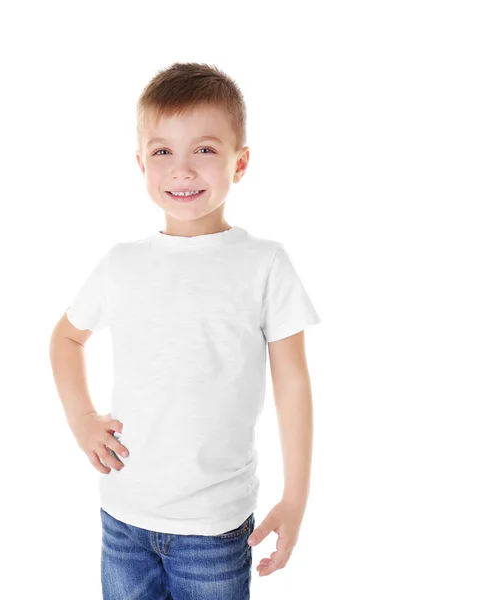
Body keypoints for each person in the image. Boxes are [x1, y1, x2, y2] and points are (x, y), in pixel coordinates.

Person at [49, 61, 321, 599]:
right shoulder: (122, 263)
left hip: (214, 529)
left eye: (204, 149)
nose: (181, 169)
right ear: (140, 163)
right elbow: (65, 338)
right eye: (162, 151)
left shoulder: (264, 264)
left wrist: (295, 498)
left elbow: (293, 386)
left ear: (239, 163)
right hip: (123, 518)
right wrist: (82, 419)